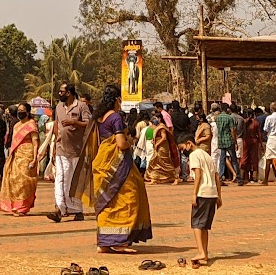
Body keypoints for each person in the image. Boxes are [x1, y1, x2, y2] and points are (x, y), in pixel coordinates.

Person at [90, 84, 152, 254]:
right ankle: (118, 241)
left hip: (103, 162)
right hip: (118, 166)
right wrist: (129, 141)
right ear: (118, 99)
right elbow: (120, 144)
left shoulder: (100, 117)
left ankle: (104, 242)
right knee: (128, 198)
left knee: (107, 200)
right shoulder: (116, 118)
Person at [46, 83, 91, 221]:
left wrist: (74, 123)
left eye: (62, 92)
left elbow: (89, 124)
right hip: (61, 149)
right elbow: (56, 125)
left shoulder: (81, 106)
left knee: (75, 180)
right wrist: (54, 146)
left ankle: (77, 210)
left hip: (78, 150)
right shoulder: (59, 107)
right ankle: (59, 208)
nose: (59, 94)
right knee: (61, 178)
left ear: (69, 93)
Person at [184, 123, 220, 268]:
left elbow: (197, 174)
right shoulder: (207, 155)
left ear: (188, 143)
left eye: (182, 148)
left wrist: (194, 194)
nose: (183, 151)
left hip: (202, 193)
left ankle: (201, 252)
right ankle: (204, 251)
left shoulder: (194, 155)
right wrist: (219, 195)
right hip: (212, 193)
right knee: (204, 226)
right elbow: (217, 176)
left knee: (196, 224)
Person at [0, 104, 40, 215]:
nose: (20, 112)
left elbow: (35, 143)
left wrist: (35, 159)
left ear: (27, 112)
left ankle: (22, 207)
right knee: (14, 180)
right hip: (16, 155)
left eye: (23, 110)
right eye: (19, 110)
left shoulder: (31, 125)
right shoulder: (16, 125)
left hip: (28, 155)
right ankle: (15, 205)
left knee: (24, 182)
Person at [146, 107, 179, 184]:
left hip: (162, 148)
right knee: (156, 162)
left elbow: (164, 138)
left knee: (165, 163)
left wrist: (157, 144)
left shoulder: (162, 127)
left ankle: (175, 177)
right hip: (157, 147)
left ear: (160, 118)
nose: (154, 119)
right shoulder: (157, 127)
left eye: (156, 118)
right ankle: (155, 178)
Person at [212, 102, 242, 184]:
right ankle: (239, 178)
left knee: (222, 159)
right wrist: (235, 141)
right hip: (229, 140)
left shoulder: (217, 118)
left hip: (221, 140)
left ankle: (221, 177)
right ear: (227, 109)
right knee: (234, 159)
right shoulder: (229, 118)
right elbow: (232, 130)